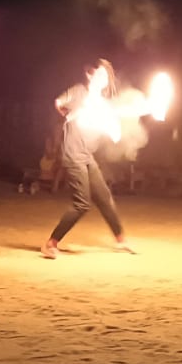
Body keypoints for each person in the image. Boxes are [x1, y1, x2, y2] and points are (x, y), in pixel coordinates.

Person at [42, 59, 132, 259]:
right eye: (99, 74)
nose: (104, 79)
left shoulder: (102, 103)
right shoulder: (79, 92)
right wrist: (70, 114)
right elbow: (58, 102)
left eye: (106, 76)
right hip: (73, 154)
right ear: (90, 75)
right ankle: (51, 244)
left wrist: (113, 129)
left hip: (86, 156)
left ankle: (121, 240)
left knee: (104, 197)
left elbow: (112, 129)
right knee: (82, 203)